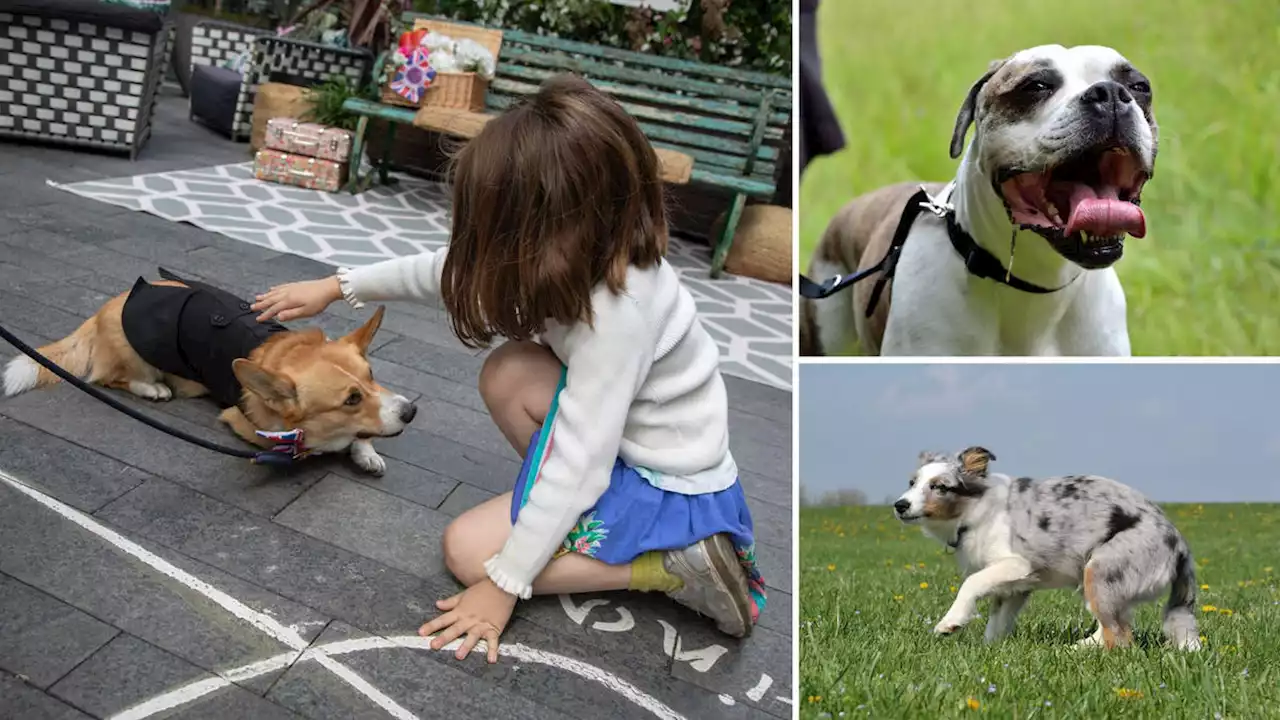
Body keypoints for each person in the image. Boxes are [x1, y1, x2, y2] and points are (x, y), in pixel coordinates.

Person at [251, 74, 766, 664]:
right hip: (633, 448)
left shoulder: (617, 315)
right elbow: (447, 271)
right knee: (508, 373)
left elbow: (578, 465)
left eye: (495, 232)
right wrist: (337, 286)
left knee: (468, 552)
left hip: (669, 486)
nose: (481, 247)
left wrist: (504, 585)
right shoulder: (578, 252)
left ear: (550, 229)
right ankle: (576, 528)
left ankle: (665, 565)